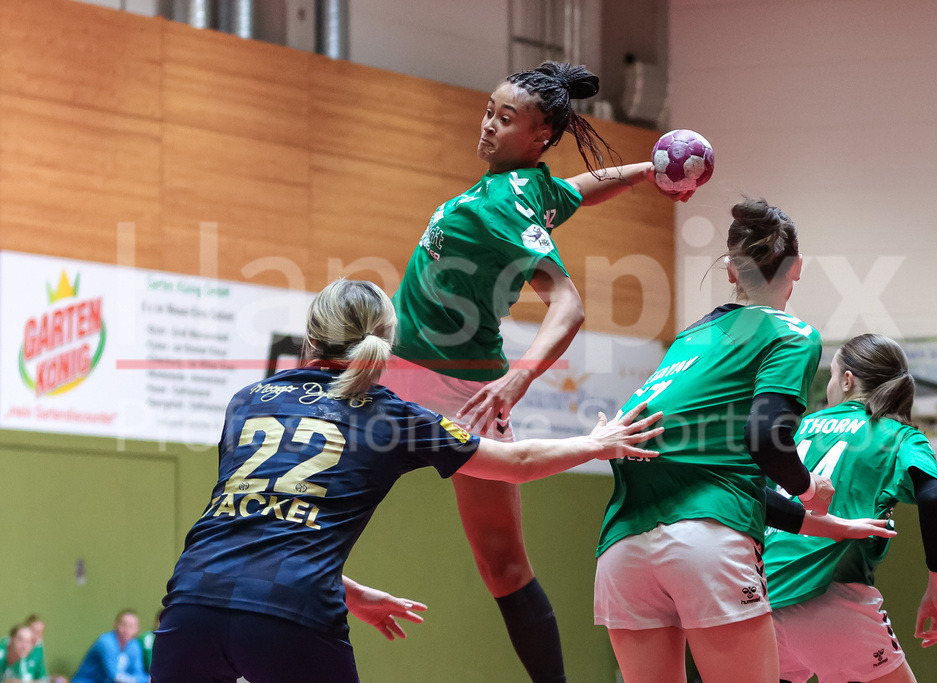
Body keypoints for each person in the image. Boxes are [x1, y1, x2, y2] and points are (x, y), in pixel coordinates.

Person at [150, 278, 663, 683]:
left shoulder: (248, 399)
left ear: (310, 338)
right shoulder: (390, 415)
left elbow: (254, 522)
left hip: (191, 603)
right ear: (386, 346)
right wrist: (600, 444)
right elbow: (517, 461)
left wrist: (349, 592)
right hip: (293, 611)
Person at [384, 60, 688, 683]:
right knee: (497, 563)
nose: (489, 126)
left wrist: (519, 378)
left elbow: (569, 306)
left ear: (540, 134)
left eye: (506, 119)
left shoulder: (507, 201)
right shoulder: (526, 189)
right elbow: (578, 189)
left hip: (459, 388)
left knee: (502, 564)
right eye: (489, 111)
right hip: (403, 373)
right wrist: (648, 172)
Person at [592, 198, 898, 683]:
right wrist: (807, 488)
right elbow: (766, 439)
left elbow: (710, 466)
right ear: (796, 267)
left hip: (622, 548)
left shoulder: (689, 339)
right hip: (707, 540)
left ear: (732, 270)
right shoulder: (790, 334)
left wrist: (830, 525)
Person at [764, 334, 937, 683]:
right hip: (829, 599)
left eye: (833, 376)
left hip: (764, 602)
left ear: (848, 380)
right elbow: (934, 497)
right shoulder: (898, 435)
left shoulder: (799, 429)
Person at [70, 610, 147, 683]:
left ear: (137, 629)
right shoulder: (106, 642)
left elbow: (139, 673)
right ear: (116, 624)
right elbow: (114, 675)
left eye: (131, 626)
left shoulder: (134, 645)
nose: (127, 630)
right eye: (124, 625)